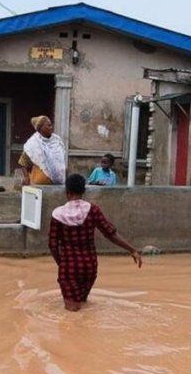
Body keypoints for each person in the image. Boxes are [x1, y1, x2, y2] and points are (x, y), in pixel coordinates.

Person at [49, 173, 142, 312]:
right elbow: (110, 233)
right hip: (89, 266)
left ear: (67, 192)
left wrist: (60, 263)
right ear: (83, 191)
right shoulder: (93, 210)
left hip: (69, 267)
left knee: (72, 314)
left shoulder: (57, 215)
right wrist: (132, 250)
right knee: (83, 305)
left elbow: (53, 245)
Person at [19, 115, 66, 185]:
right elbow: (23, 162)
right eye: (48, 126)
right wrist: (26, 177)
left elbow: (62, 162)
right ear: (40, 128)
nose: (51, 127)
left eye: (51, 125)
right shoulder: (33, 143)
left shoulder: (57, 141)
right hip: (39, 185)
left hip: (58, 183)